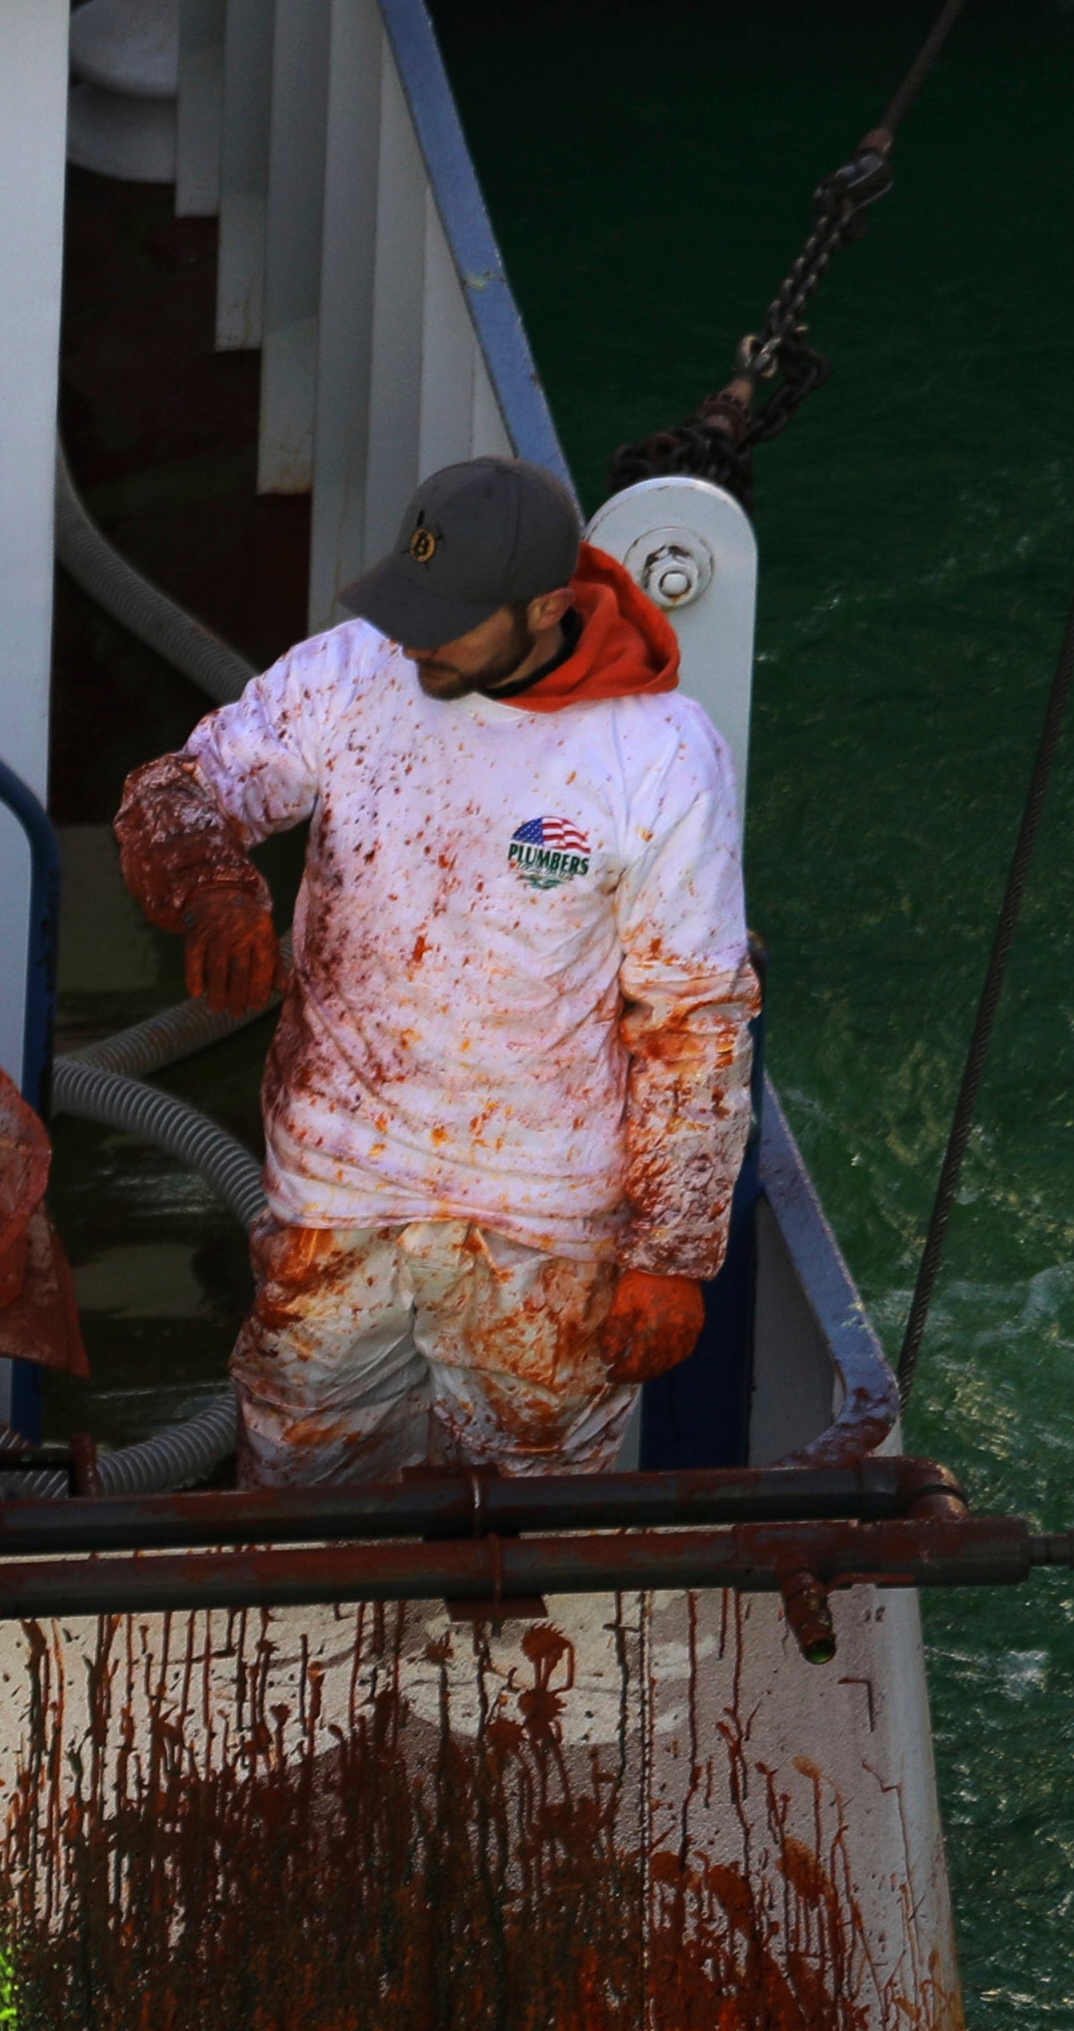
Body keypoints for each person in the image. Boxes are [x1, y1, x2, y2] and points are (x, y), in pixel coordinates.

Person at [114, 451, 750, 1483]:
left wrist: (669, 1260)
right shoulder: (353, 674)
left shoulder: (663, 755)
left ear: (546, 608)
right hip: (335, 1188)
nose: (413, 635)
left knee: (530, 1533)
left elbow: (693, 1020)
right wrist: (216, 892)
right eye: (408, 601)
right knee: (298, 1479)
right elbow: (172, 793)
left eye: (446, 616)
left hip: (545, 1221)